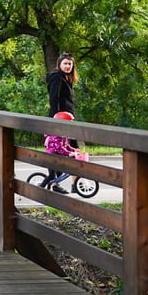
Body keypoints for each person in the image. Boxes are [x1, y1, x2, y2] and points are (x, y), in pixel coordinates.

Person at [46, 52, 79, 193]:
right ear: (59, 64)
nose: (67, 66)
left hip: (68, 119)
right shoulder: (56, 77)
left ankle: (75, 184)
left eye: (70, 64)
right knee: (57, 151)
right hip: (60, 120)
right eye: (65, 63)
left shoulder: (67, 78)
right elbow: (54, 98)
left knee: (74, 150)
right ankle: (54, 184)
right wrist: (58, 119)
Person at [42, 111, 81, 194]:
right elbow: (59, 147)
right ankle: (40, 188)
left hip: (56, 157)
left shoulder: (63, 133)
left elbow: (66, 145)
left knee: (60, 172)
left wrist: (74, 150)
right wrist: (68, 153)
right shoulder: (56, 134)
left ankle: (55, 187)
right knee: (51, 175)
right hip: (51, 157)